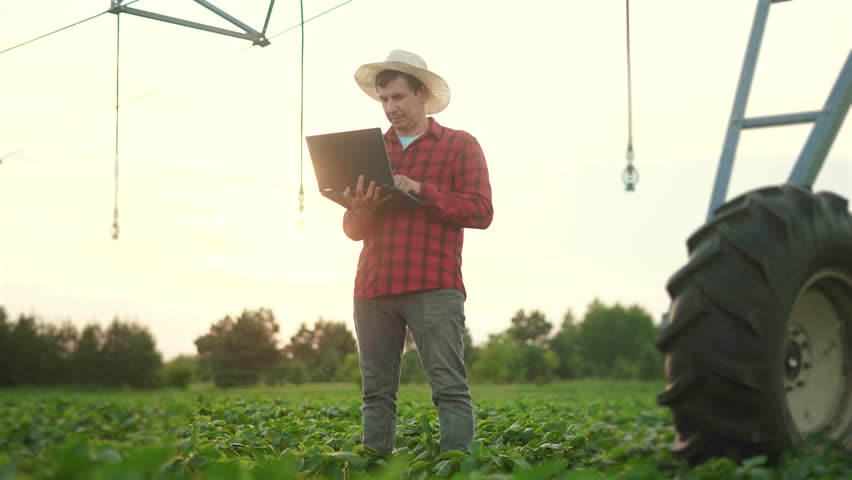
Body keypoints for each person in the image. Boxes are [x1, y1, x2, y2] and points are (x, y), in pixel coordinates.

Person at [342, 49, 494, 455]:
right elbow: (352, 230)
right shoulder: (370, 151)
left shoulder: (460, 146)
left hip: (433, 286)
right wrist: (360, 209)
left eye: (398, 97)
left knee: (449, 388)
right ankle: (374, 466)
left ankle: (456, 466)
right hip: (373, 288)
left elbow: (481, 211)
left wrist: (422, 190)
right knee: (376, 393)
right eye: (384, 99)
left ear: (421, 94)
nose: (391, 107)